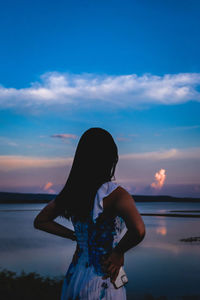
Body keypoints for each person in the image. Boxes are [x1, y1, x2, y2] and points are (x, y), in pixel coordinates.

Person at [33, 127, 146, 299]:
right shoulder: (116, 194)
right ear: (111, 159)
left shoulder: (72, 192)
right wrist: (118, 252)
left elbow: (41, 221)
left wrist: (75, 236)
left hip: (75, 276)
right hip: (104, 280)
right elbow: (138, 231)